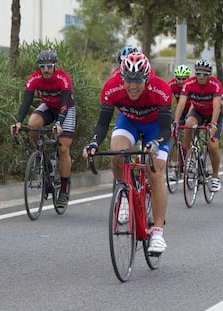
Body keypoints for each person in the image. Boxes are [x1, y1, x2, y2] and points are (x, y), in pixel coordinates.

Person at [84, 52, 172, 254]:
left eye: (138, 80)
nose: (132, 85)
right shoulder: (111, 87)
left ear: (147, 77)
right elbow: (102, 124)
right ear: (121, 77)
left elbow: (166, 130)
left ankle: (157, 233)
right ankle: (125, 194)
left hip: (155, 128)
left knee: (155, 172)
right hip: (129, 122)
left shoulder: (160, 89)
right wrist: (93, 144)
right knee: (117, 154)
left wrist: (156, 143)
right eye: (128, 80)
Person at [10, 49, 76, 209]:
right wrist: (18, 122)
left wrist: (59, 123)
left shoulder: (63, 78)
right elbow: (26, 101)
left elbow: (64, 104)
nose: (45, 69)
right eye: (42, 66)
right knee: (32, 124)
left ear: (55, 66)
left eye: (49, 66)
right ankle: (43, 155)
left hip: (65, 108)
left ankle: (64, 190)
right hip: (48, 106)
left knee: (64, 148)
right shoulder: (34, 79)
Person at [174, 59, 222, 192]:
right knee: (188, 124)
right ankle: (190, 155)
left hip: (214, 114)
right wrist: (176, 121)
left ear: (209, 74)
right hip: (198, 112)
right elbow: (182, 103)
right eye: (199, 73)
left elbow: (217, 105)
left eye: (204, 74)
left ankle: (215, 177)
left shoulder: (215, 84)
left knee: (213, 145)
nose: (201, 77)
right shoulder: (189, 83)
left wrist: (213, 124)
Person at [167, 64, 192, 180]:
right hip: (180, 110)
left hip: (193, 109)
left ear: (189, 78)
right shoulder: (171, 84)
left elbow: (194, 103)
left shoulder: (192, 84)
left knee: (190, 133)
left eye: (184, 78)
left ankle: (193, 158)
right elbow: (165, 99)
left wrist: (189, 118)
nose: (181, 81)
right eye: (178, 78)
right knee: (175, 136)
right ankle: (174, 168)